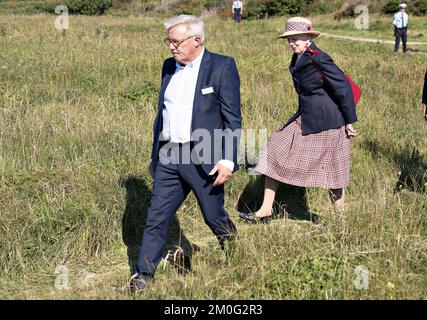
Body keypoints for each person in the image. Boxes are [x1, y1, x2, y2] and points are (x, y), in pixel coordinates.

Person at [129, 15, 242, 291]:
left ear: (197, 40)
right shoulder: (169, 66)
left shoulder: (221, 66)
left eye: (176, 41)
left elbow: (232, 119)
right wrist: (155, 156)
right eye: (168, 41)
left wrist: (228, 160)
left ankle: (236, 252)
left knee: (212, 214)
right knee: (157, 216)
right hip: (169, 156)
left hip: (204, 156)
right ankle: (143, 275)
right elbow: (163, 115)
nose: (171, 47)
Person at [240, 17, 358, 223]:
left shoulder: (319, 58)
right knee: (274, 149)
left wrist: (349, 121)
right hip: (305, 117)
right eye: (289, 39)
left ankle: (342, 220)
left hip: (329, 121)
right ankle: (266, 210)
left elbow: (344, 88)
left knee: (333, 171)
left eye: (296, 38)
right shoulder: (298, 58)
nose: (292, 43)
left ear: (308, 38)